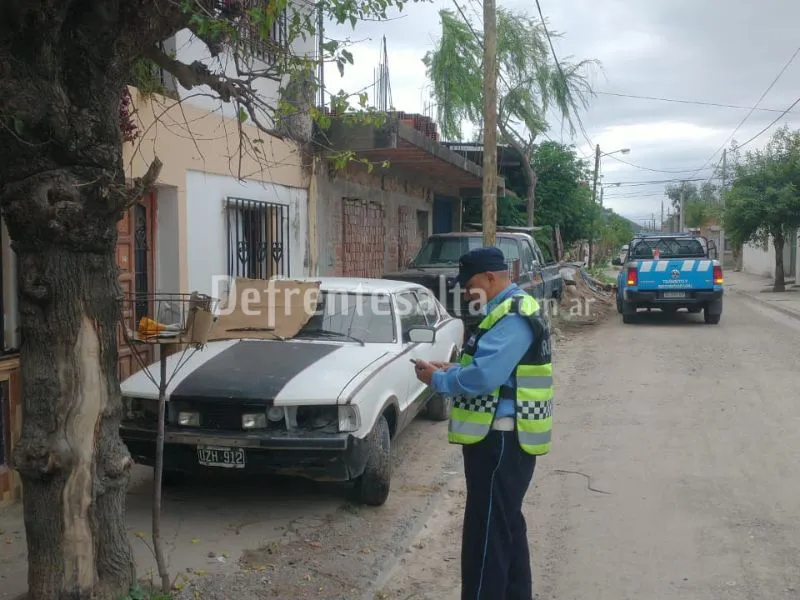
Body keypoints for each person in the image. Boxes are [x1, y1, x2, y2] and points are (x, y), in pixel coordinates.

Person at [413, 246, 553, 600]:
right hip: (503, 440)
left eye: (469, 283)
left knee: (486, 536)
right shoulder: (506, 310)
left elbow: (485, 378)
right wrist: (453, 369)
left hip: (500, 443)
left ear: (491, 278)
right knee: (505, 527)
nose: (465, 291)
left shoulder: (514, 315)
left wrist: (439, 381)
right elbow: (491, 369)